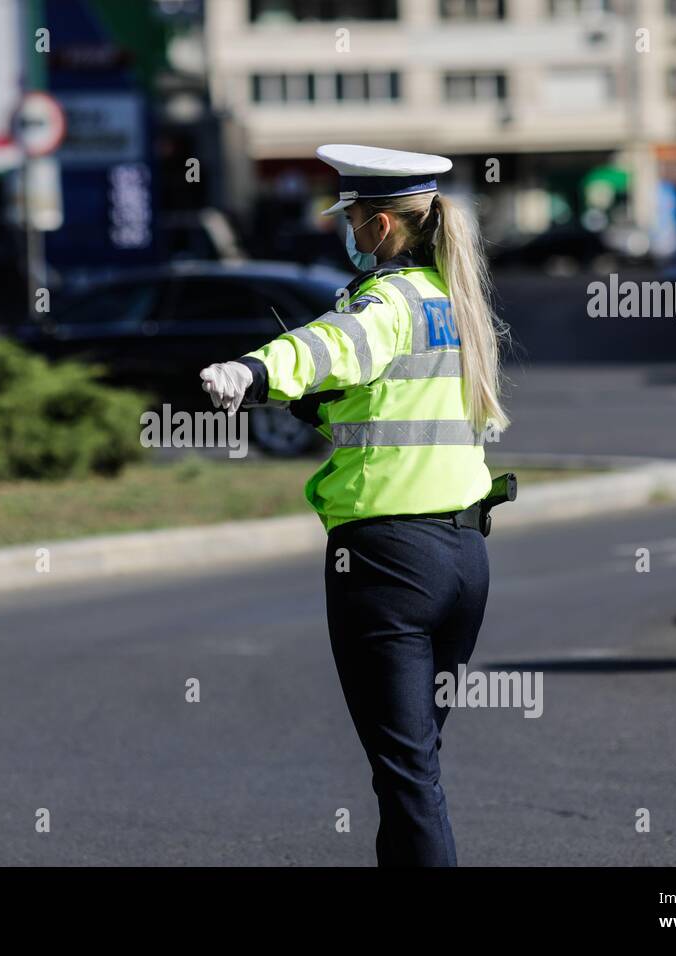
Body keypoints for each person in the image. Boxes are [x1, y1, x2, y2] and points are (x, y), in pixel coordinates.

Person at [198, 144, 511, 866]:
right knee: (410, 773)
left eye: (352, 218)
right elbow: (393, 410)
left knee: (408, 780)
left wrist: (253, 369)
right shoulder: (454, 302)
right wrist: (320, 413)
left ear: (378, 227)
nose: (346, 231)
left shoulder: (389, 301)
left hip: (387, 564)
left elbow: (331, 345)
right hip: (465, 559)